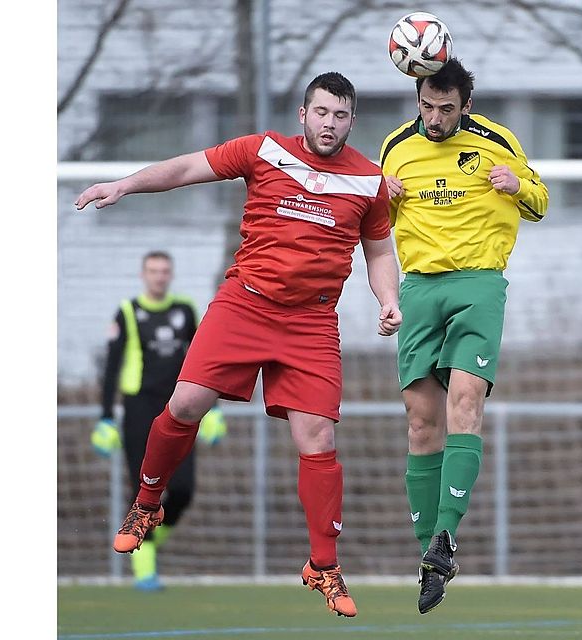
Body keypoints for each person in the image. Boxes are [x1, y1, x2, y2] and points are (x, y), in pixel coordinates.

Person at [76, 72, 402, 618]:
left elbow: (380, 252)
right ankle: (147, 503)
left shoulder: (369, 180)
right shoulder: (263, 150)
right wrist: (126, 185)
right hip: (245, 304)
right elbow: (187, 168)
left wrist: (388, 299)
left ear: (352, 121)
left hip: (311, 322)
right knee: (185, 403)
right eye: (322, 112)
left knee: (318, 438)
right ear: (303, 114)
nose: (330, 124)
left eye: (341, 115)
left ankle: (323, 565)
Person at [379, 58, 549, 614]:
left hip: (478, 284)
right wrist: (383, 197)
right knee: (420, 421)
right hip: (419, 287)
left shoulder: (498, 141)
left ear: (465, 106)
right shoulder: (395, 147)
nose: (434, 118)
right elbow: (373, 225)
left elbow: (541, 202)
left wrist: (517, 184)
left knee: (465, 402)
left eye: (445, 109)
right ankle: (429, 556)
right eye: (426, 107)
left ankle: (446, 533)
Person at [92, 250, 227, 591]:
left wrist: (214, 410)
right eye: (153, 270)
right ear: (143, 275)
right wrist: (106, 418)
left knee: (182, 490)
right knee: (142, 489)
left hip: (178, 409)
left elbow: (204, 360)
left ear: (171, 275)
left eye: (164, 270)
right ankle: (144, 570)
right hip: (139, 410)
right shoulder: (128, 312)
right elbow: (111, 369)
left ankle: (149, 540)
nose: (159, 276)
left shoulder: (185, 310)